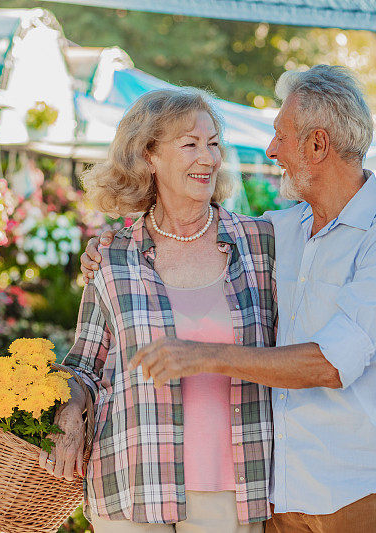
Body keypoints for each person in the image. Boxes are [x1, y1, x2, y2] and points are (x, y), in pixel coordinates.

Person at [82, 65, 376, 532]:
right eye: (191, 143)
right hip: (286, 490)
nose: (270, 151)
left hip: (365, 480)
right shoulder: (277, 232)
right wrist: (102, 249)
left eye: (280, 137)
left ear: (317, 144)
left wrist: (203, 356)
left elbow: (331, 364)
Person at [40, 89, 275, 533]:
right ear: (149, 156)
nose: (207, 157)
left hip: (232, 486)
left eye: (213, 143)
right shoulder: (112, 256)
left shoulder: (260, 245)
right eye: (189, 144)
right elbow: (84, 367)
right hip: (131, 481)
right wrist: (69, 414)